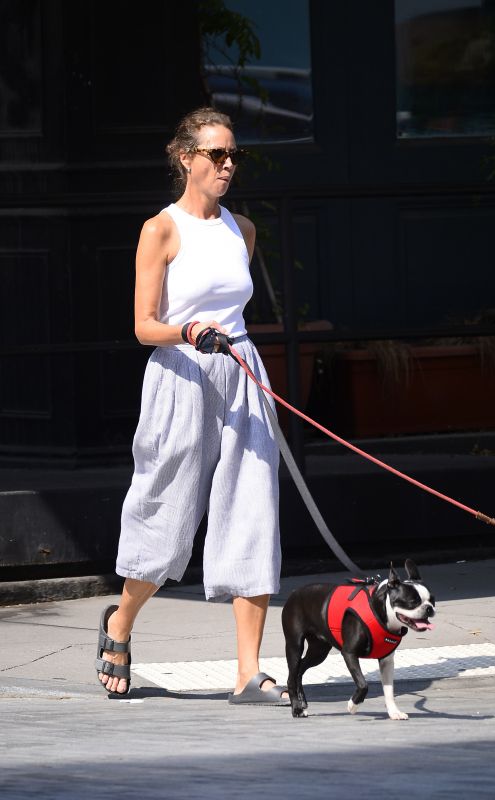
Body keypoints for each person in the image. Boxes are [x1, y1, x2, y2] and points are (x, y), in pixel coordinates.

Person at [95, 107, 286, 704]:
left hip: (241, 370)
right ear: (186, 158)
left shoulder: (243, 229)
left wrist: (225, 341)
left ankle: (248, 672)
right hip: (180, 373)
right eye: (216, 155)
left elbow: (237, 309)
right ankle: (120, 623)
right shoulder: (161, 229)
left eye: (234, 155)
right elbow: (143, 326)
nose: (228, 165)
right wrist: (189, 332)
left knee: (252, 509)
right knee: (166, 510)